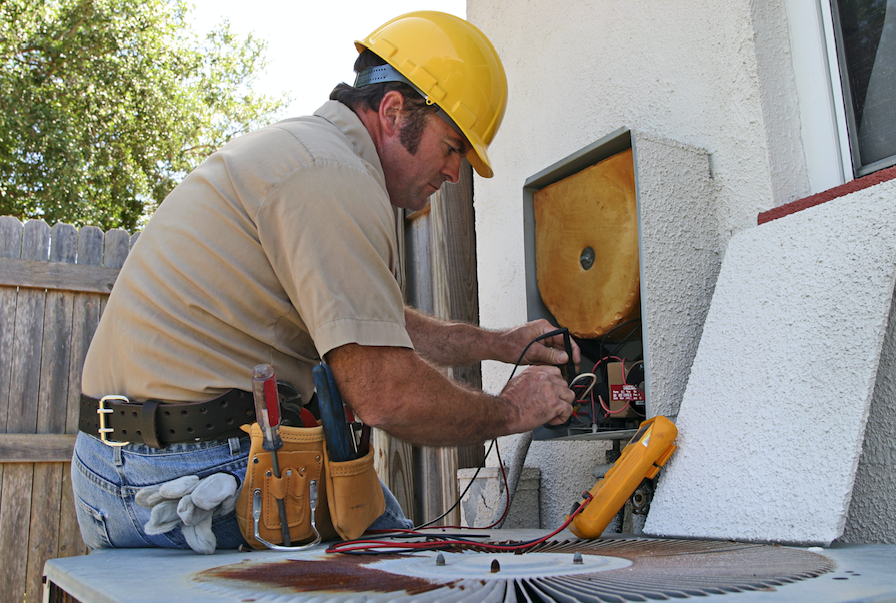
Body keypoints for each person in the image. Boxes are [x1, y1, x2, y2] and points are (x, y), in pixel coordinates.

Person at [71, 11, 578, 552]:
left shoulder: (311, 155)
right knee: (413, 568)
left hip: (121, 466)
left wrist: (501, 345)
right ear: (393, 111)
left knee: (399, 543)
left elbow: (371, 323)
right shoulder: (333, 177)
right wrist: (516, 410)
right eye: (452, 146)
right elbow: (387, 394)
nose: (455, 172)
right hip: (186, 479)